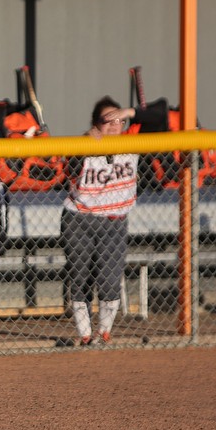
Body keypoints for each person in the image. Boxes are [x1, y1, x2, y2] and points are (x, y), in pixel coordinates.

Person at [61, 96, 148, 345]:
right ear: (95, 123)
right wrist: (87, 142)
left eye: (118, 120)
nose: (112, 125)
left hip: (115, 222)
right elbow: (69, 171)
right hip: (80, 220)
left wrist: (130, 111)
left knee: (110, 279)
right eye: (106, 121)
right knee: (81, 277)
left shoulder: (133, 141)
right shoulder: (84, 144)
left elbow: (160, 115)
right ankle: (85, 334)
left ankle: (104, 332)